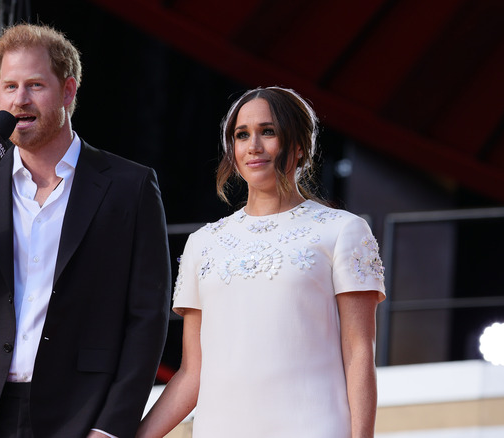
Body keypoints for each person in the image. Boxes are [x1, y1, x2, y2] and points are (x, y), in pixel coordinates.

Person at [0, 23, 171, 438]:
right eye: (8, 86)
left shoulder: (128, 186)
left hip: (76, 415)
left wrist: (111, 427)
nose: (19, 100)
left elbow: (147, 320)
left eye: (34, 85)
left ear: (68, 91)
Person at [136, 86, 386, 438]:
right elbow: (193, 373)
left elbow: (359, 353)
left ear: (300, 145)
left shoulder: (343, 230)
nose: (253, 146)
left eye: (268, 131)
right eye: (242, 135)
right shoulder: (203, 243)